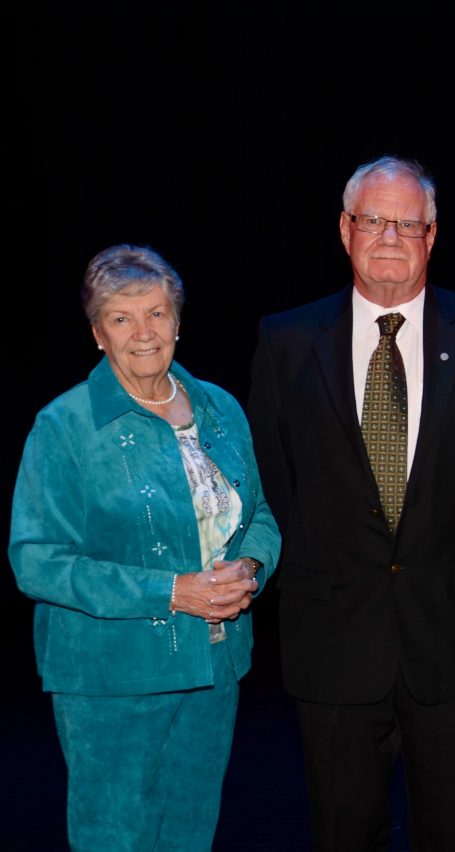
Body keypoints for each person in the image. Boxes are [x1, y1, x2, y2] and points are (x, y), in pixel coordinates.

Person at [247, 155, 455, 852]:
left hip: (452, 638)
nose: (391, 236)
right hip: (332, 638)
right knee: (344, 834)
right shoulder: (283, 341)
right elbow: (270, 479)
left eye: (409, 223)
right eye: (374, 220)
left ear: (433, 236)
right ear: (345, 230)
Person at [8, 244, 281, 851]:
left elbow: (259, 512)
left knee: (188, 834)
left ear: (178, 322)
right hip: (114, 678)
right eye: (121, 318)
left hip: (214, 667)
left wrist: (250, 566)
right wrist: (175, 591)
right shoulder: (66, 426)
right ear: (97, 333)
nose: (143, 332)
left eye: (157, 314)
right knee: (116, 838)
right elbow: (35, 561)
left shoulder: (219, 408)